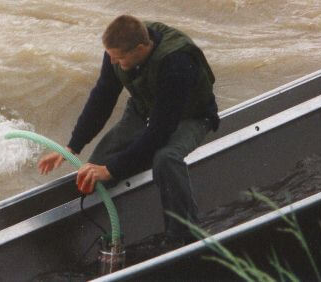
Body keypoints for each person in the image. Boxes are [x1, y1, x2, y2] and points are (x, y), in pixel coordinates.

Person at [38, 15, 219, 244]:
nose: (113, 62)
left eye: (119, 58)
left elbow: (160, 132)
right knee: (93, 174)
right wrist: (72, 147)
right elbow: (102, 97)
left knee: (165, 158)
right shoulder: (116, 50)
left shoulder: (177, 62)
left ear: (141, 48)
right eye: (111, 56)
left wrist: (112, 169)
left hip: (191, 116)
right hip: (144, 109)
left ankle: (183, 236)